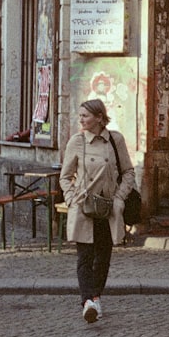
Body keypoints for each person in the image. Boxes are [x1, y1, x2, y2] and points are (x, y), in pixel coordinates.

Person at [60, 98, 135, 324]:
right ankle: (88, 302)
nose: (81, 119)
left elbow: (128, 172)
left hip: (109, 207)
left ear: (100, 118)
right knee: (85, 257)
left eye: (85, 115)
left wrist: (120, 198)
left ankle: (96, 295)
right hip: (85, 207)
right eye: (80, 115)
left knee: (103, 257)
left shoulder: (115, 140)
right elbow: (65, 177)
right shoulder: (77, 141)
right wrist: (72, 199)